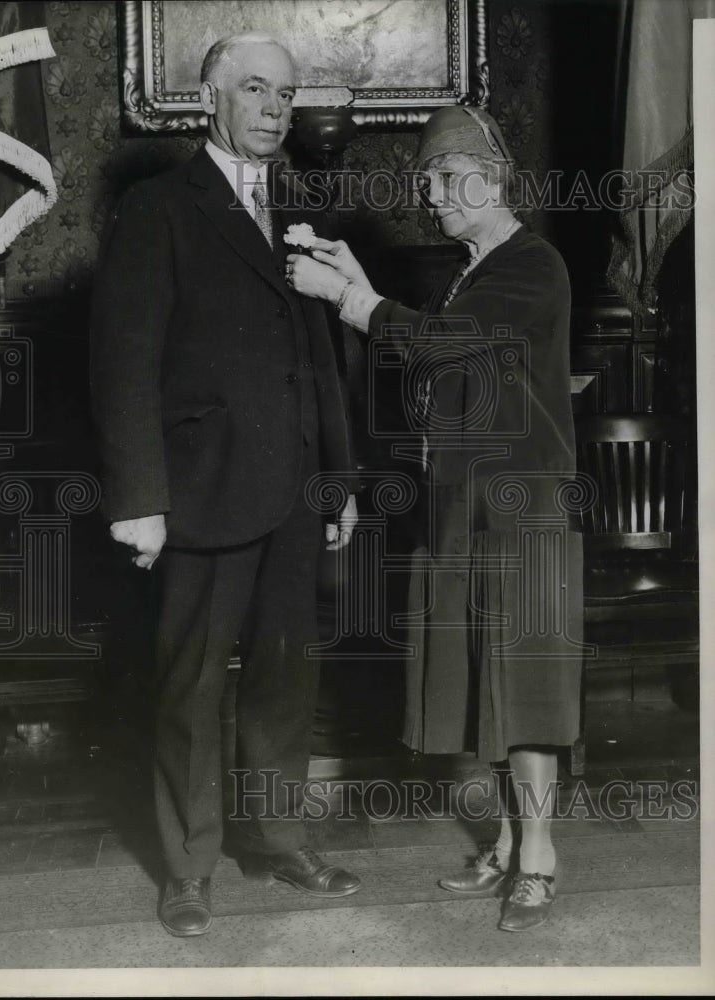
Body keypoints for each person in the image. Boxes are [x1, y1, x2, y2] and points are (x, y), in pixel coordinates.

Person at [286, 105, 583, 933]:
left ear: (493, 181)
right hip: (467, 505)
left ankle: (538, 856)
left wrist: (350, 299)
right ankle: (507, 839)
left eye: (450, 182)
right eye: (428, 184)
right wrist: (363, 282)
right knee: (485, 677)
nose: (435, 199)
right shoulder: (477, 266)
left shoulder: (533, 265)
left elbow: (443, 344)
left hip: (521, 510)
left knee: (522, 686)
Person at [90, 32, 361, 938]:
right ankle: (188, 867)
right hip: (200, 491)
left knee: (288, 675)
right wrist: (139, 497)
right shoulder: (158, 207)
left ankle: (281, 840)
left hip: (292, 490)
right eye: (255, 90)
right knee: (190, 686)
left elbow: (317, 355)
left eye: (285, 94)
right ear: (211, 98)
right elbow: (123, 363)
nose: (276, 109)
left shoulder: (299, 208)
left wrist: (339, 479)